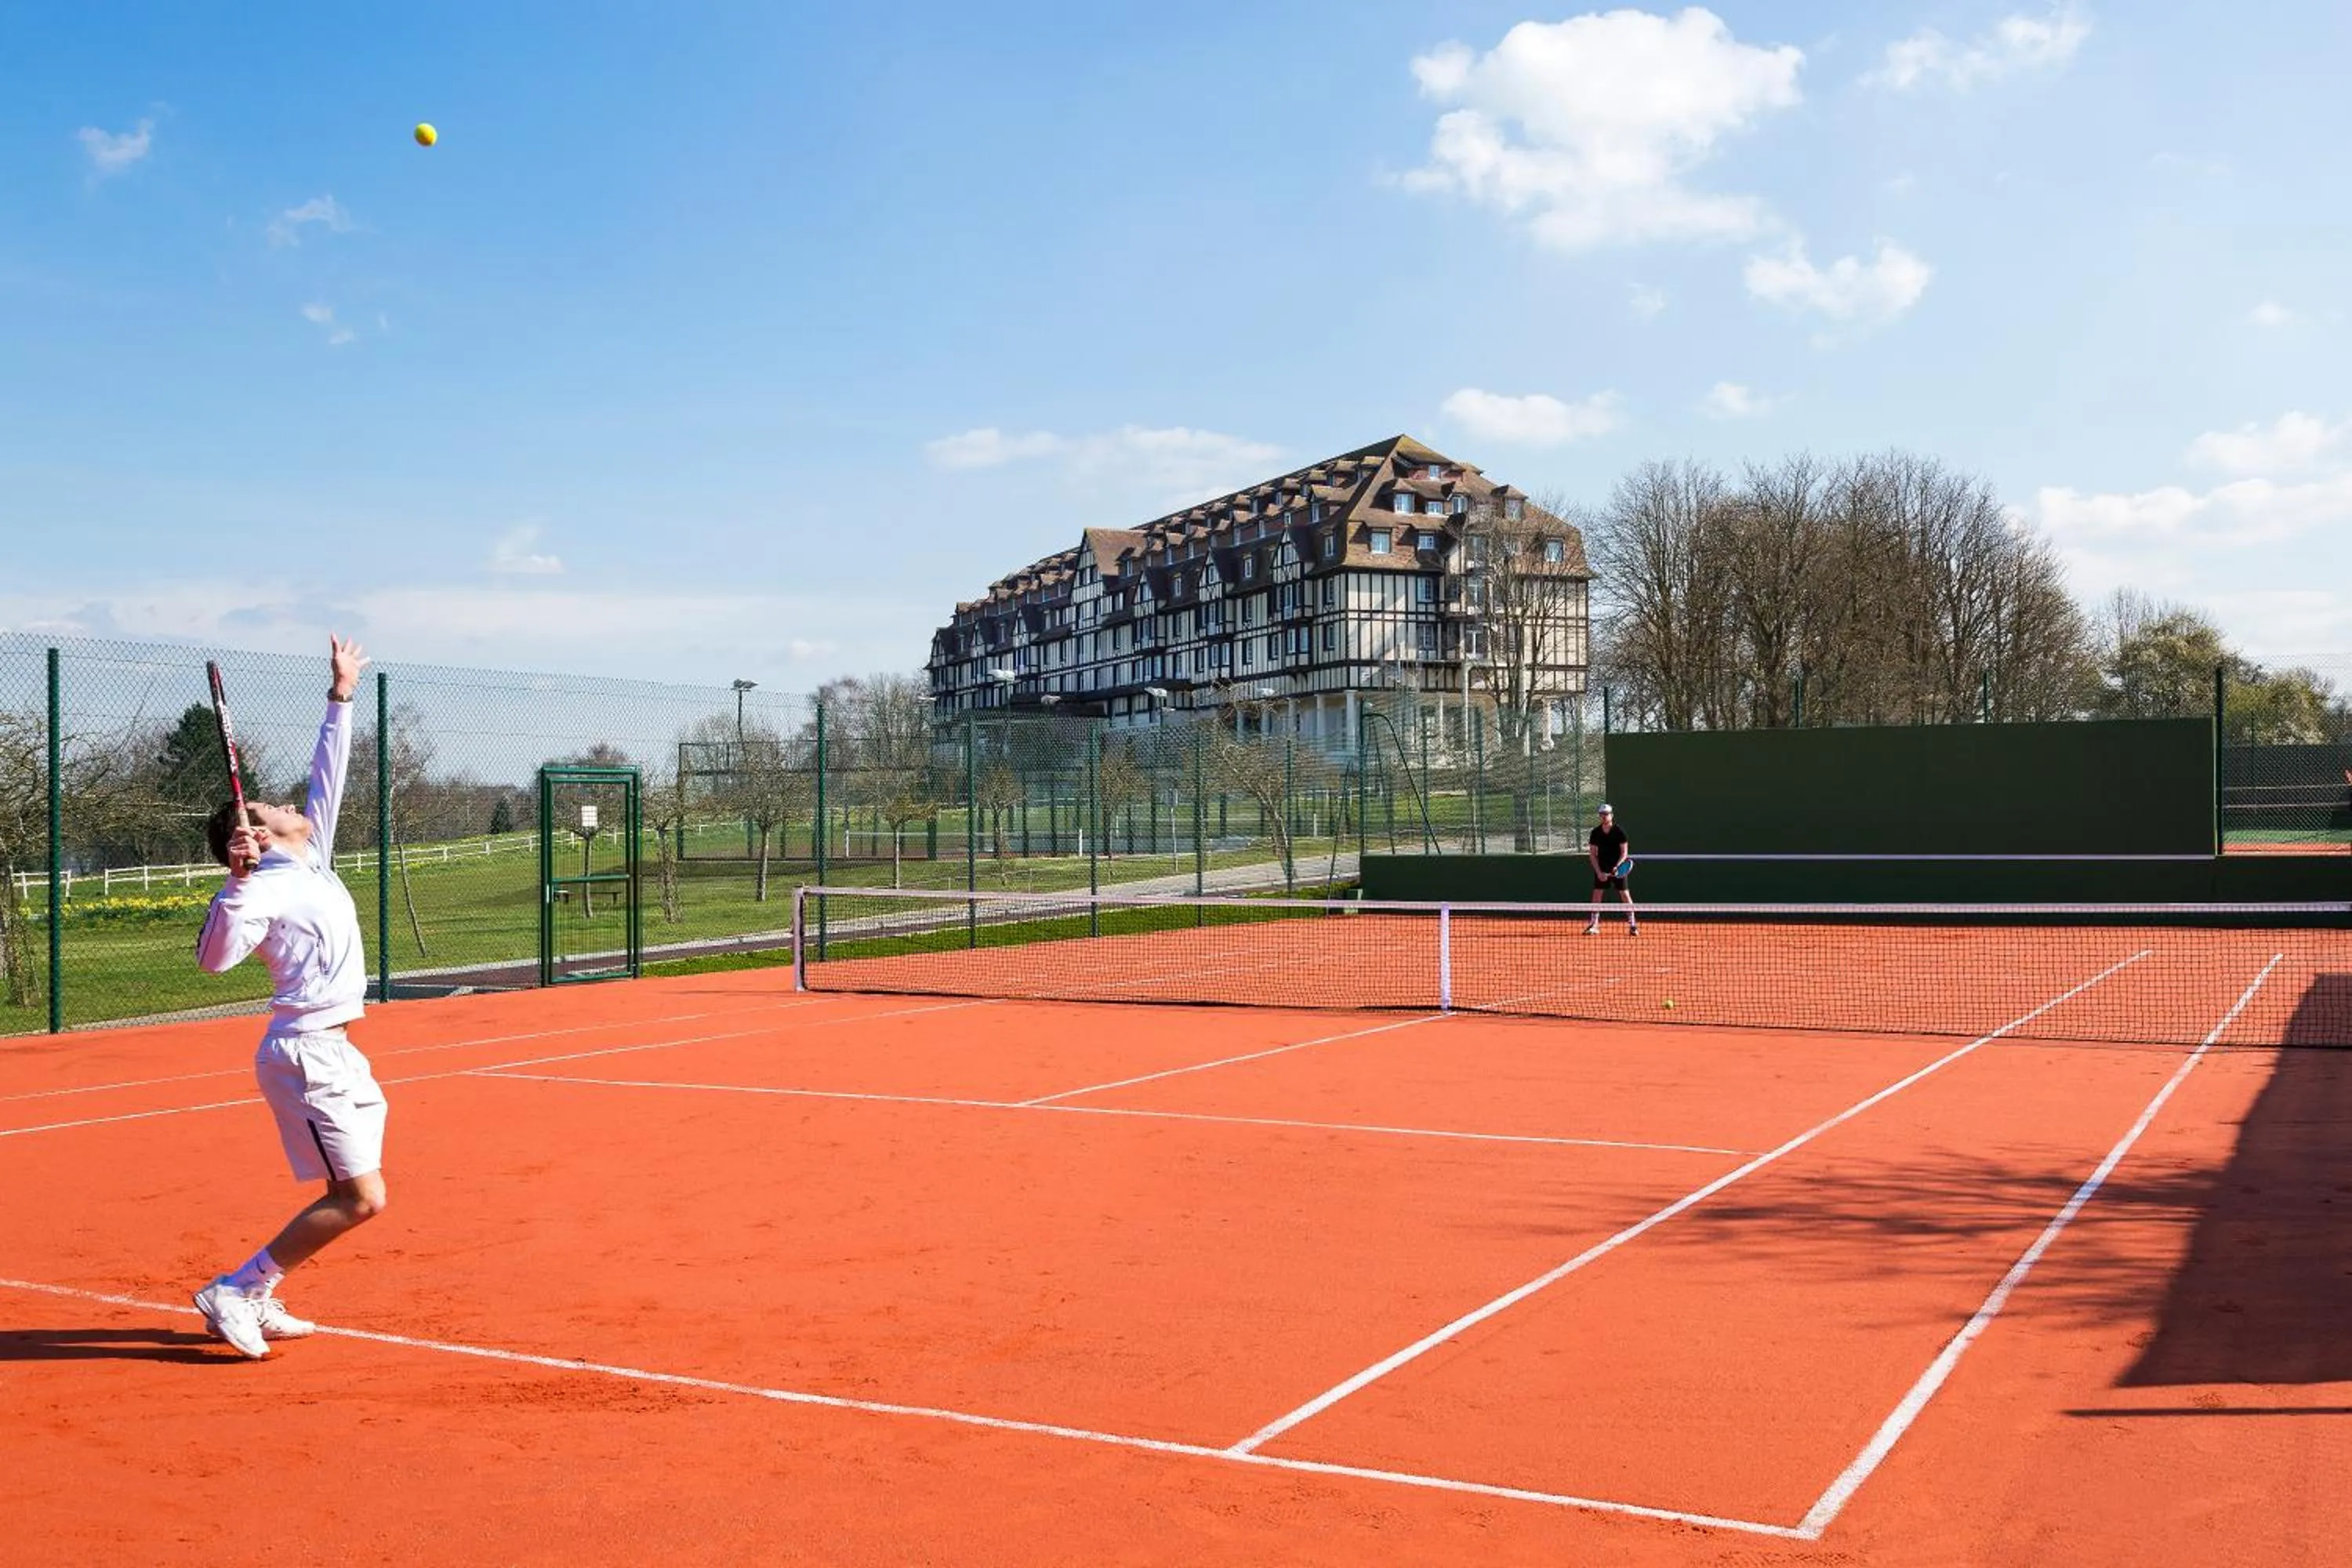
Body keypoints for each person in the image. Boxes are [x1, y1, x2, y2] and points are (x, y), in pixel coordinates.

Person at [190, 635, 384, 1358]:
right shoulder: (260, 888)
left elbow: (329, 776)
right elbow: (214, 961)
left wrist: (341, 696)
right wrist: (236, 880)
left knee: (354, 1192)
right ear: (258, 838)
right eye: (272, 807)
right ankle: (236, 1289)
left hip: (338, 1051)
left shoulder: (312, 856)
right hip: (303, 1055)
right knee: (362, 1199)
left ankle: (255, 1289)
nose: (289, 803)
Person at [1584, 801, 1636, 935]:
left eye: (1606, 814)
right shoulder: (1595, 833)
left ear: (1611, 815)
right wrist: (1599, 872)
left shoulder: (1619, 832)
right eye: (1602, 814)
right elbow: (1592, 855)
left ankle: (1633, 924)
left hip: (1618, 867)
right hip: (1601, 867)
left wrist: (1617, 866)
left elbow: (1624, 853)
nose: (1604, 816)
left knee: (1625, 894)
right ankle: (1594, 924)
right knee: (1597, 894)